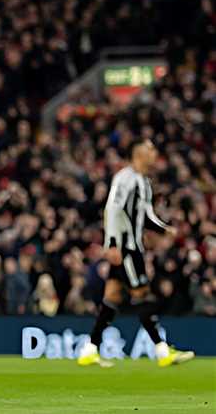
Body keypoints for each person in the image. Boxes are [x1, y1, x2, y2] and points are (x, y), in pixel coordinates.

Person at [77, 139, 194, 368]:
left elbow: (146, 216)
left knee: (112, 298)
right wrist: (112, 243)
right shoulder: (125, 178)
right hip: (125, 248)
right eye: (150, 149)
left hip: (133, 247)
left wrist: (165, 229)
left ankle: (89, 349)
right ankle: (162, 350)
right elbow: (112, 208)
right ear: (138, 153)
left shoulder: (144, 182)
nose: (154, 153)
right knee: (142, 295)